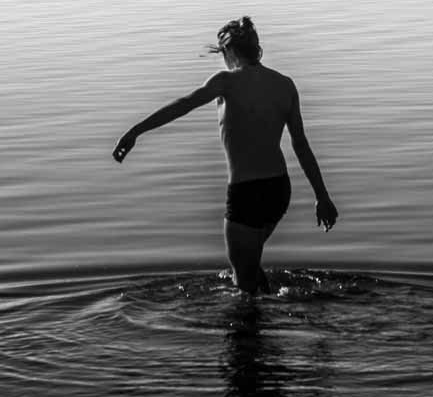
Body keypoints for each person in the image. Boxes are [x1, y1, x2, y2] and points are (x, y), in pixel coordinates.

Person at [113, 16, 338, 293]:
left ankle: (255, 328)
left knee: (243, 278)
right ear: (256, 48)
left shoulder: (226, 82)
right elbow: (300, 145)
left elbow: (184, 105)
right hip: (278, 190)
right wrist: (322, 196)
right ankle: (271, 311)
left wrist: (136, 131)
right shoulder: (285, 85)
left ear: (229, 52)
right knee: (248, 266)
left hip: (246, 192)